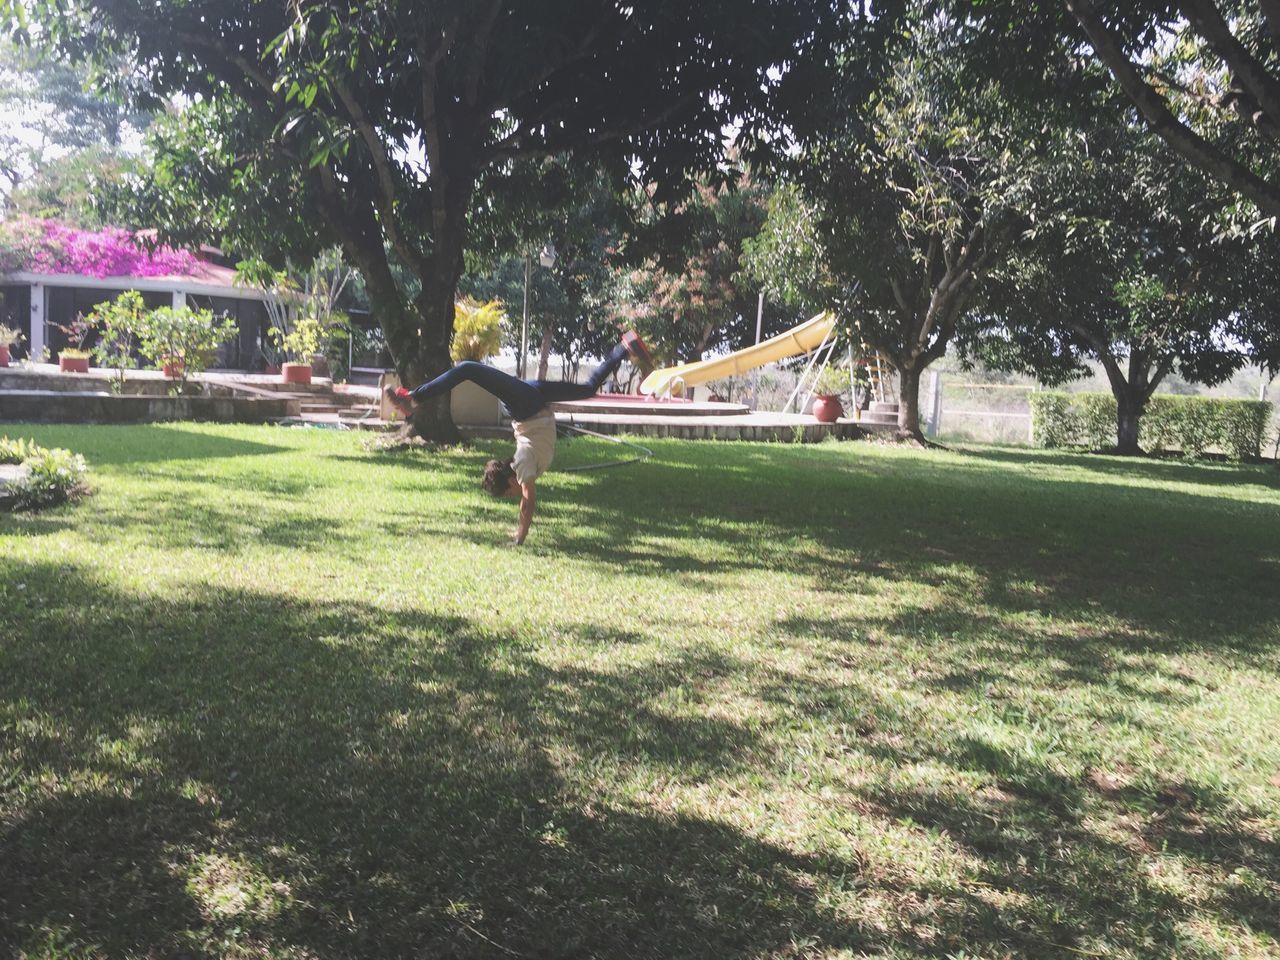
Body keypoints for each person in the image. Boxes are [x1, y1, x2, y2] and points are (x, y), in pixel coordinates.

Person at [385, 330, 655, 545]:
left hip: (525, 404)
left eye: (509, 493)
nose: (516, 495)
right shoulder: (525, 463)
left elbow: (528, 503)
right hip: (533, 399)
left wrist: (519, 538)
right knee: (586, 389)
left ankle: (412, 398)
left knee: (468, 369)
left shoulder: (524, 466)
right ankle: (625, 347)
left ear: (510, 482)